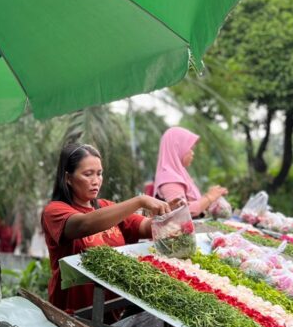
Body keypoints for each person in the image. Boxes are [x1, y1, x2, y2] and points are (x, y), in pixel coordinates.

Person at [42, 144, 181, 311]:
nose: (96, 181)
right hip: (73, 314)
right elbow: (83, 225)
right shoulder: (54, 211)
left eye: (99, 174)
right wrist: (139, 200)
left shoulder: (106, 207)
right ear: (68, 178)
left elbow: (144, 226)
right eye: (88, 174)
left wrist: (169, 216)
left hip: (111, 311)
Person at [154, 126, 228, 218]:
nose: (192, 153)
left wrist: (214, 195)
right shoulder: (170, 179)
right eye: (190, 148)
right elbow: (182, 212)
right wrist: (210, 197)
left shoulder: (179, 174)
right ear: (177, 148)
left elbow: (191, 203)